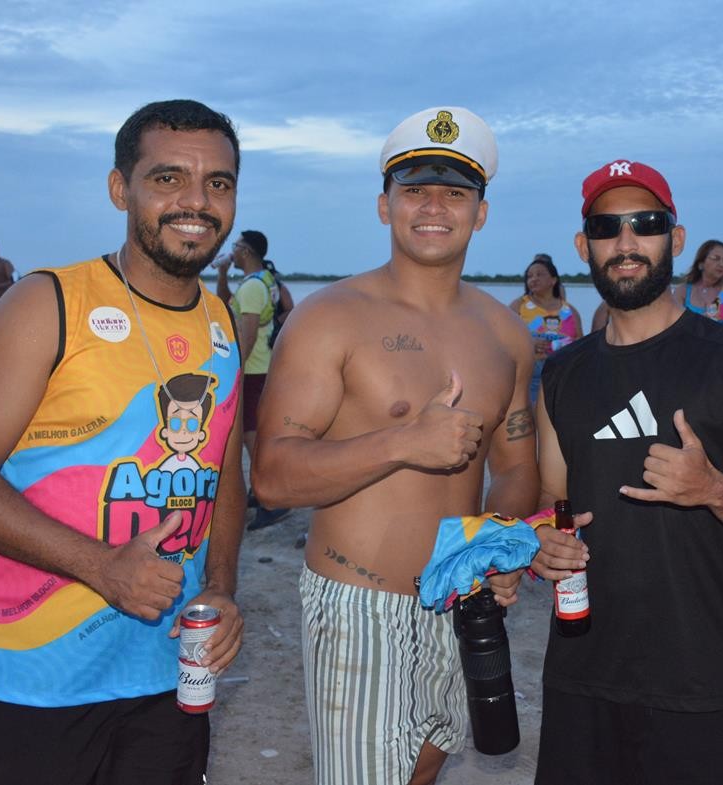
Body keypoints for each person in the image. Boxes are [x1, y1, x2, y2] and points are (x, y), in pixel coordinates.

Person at [0, 99, 248, 785]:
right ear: (120, 188)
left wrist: (221, 588)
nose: (196, 201)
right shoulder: (48, 303)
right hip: (33, 684)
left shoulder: (221, 321)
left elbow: (222, 471)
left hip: (167, 681)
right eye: (168, 178)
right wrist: (102, 566)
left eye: (217, 182)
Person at [251, 106, 539, 785]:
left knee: (427, 763)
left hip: (462, 599)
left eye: (455, 193)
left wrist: (498, 544)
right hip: (361, 605)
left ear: (481, 214)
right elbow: (272, 476)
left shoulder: (505, 333)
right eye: (415, 191)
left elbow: (516, 464)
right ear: (385, 206)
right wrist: (403, 441)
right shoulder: (329, 318)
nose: (434, 207)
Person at [528, 158, 723, 785]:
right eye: (606, 227)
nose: (626, 243)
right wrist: (538, 540)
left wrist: (715, 490)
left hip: (696, 681)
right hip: (580, 674)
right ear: (584, 246)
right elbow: (550, 500)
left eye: (645, 224)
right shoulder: (563, 375)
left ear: (675, 239)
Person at [215, 229, 291, 530]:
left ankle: (272, 500)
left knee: (251, 435)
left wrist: (235, 370)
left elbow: (246, 333)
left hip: (253, 369)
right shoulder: (263, 280)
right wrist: (222, 273)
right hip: (264, 365)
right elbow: (224, 302)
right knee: (256, 431)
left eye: (235, 246)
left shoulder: (252, 288)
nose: (231, 251)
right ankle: (260, 492)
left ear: (245, 251)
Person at [508, 252, 583, 404]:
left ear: (553, 280)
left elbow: (581, 343)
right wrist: (529, 343)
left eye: (539, 274)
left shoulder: (569, 311)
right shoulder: (519, 306)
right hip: (531, 376)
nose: (533, 279)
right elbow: (504, 339)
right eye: (529, 276)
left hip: (563, 376)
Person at [671, 239, 723, 330]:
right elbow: (673, 327)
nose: (721, 264)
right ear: (701, 263)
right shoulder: (682, 291)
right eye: (716, 258)